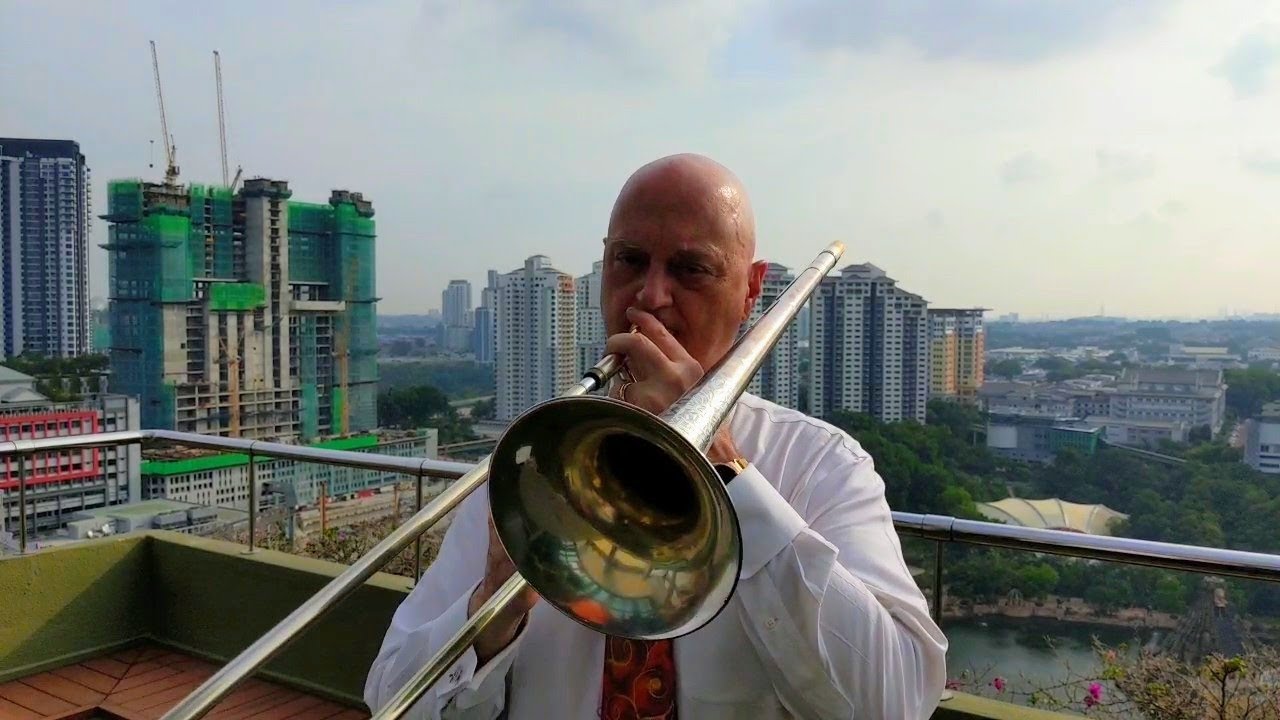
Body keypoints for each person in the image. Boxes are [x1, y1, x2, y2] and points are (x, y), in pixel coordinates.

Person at [364, 153, 949, 719]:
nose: (650, 296)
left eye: (691, 269)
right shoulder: (533, 459)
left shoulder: (821, 464)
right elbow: (389, 693)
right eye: (630, 260)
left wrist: (726, 474)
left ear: (751, 290)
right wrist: (490, 612)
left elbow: (896, 703)